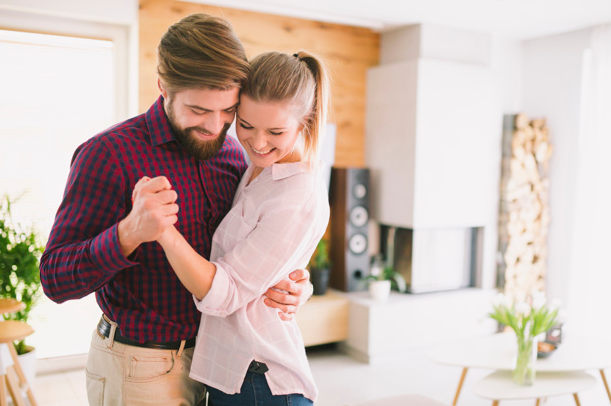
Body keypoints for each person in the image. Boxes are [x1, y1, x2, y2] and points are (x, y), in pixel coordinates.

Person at [39, 14, 313, 406]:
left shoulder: (237, 156)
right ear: (163, 86)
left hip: (217, 363)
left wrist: (295, 286)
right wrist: (128, 233)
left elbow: (239, 261)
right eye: (199, 110)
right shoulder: (108, 154)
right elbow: (54, 279)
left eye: (228, 111)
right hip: (139, 364)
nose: (215, 126)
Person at [133, 49, 330, 405]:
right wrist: (299, 280)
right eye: (246, 124)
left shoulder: (297, 192)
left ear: (306, 122)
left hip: (260, 381)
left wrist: (163, 230)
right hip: (233, 375)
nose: (257, 142)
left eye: (276, 131)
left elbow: (224, 295)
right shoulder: (255, 166)